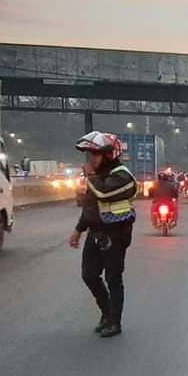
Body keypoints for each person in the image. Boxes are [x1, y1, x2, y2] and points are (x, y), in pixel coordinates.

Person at [69, 131, 137, 338]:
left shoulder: (124, 176)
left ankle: (114, 322)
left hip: (116, 234)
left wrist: (90, 175)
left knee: (113, 278)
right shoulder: (97, 177)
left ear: (108, 155)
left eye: (95, 155)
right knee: (89, 275)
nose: (91, 160)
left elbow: (104, 193)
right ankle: (107, 312)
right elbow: (90, 206)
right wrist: (78, 230)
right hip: (96, 232)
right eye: (90, 155)